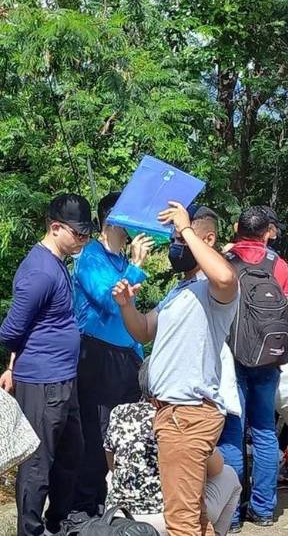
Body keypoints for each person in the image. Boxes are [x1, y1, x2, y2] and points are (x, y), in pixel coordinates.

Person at [113, 202, 239, 536]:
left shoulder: (214, 291)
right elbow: (142, 330)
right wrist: (126, 306)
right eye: (174, 239)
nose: (176, 246)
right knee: (193, 516)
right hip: (171, 413)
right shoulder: (177, 292)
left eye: (182, 238)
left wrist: (185, 227)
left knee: (180, 522)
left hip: (188, 414)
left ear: (207, 239)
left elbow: (226, 275)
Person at [0, 194, 92, 535]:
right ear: (56, 228)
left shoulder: (58, 262)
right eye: (78, 233)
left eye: (87, 234)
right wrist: (16, 364)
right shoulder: (39, 271)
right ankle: (29, 529)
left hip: (64, 379)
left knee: (71, 455)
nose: (84, 240)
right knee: (37, 464)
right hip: (42, 382)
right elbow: (11, 330)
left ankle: (58, 522)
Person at [71, 191, 154, 516]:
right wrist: (135, 266)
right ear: (113, 221)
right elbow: (110, 300)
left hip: (126, 357)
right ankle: (86, 506)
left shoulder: (119, 262)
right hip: (98, 357)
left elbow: (129, 313)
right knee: (99, 431)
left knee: (125, 431)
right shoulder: (91, 256)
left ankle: (122, 500)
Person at [104, 360, 242, 536]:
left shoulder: (119, 412)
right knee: (229, 474)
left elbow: (111, 463)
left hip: (121, 516)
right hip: (169, 516)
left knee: (111, 474)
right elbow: (216, 469)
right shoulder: (183, 417)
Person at [219, 206, 288, 530]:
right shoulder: (278, 264)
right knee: (264, 431)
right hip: (269, 356)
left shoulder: (224, 261)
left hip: (231, 356)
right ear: (266, 233)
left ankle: (231, 515)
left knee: (232, 433)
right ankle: (263, 510)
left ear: (237, 228)